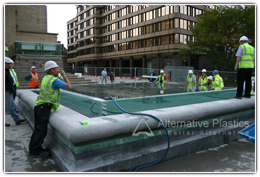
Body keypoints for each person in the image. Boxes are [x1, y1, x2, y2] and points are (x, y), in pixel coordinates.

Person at [29, 61, 71, 158]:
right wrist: (64, 75)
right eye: (56, 69)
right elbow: (68, 86)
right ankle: (35, 150)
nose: (58, 70)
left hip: (39, 106)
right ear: (52, 70)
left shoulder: (46, 77)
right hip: (43, 107)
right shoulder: (54, 80)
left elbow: (57, 80)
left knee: (38, 129)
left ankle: (34, 147)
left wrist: (59, 75)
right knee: (40, 130)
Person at [5, 57, 26, 126]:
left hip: (9, 91)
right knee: (10, 106)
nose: (12, 65)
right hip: (6, 91)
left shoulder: (8, 71)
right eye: (11, 64)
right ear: (6, 64)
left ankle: (17, 119)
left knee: (11, 106)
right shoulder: (5, 72)